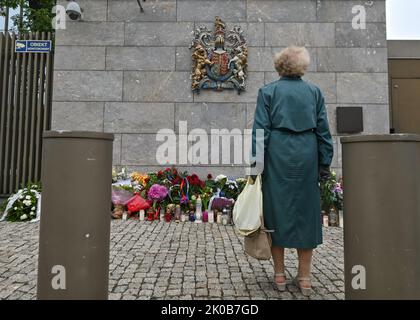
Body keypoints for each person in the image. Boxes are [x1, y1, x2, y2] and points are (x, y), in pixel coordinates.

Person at [251, 46, 334, 296]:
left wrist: (255, 167)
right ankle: (305, 277)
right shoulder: (314, 92)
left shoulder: (268, 92)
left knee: (276, 211)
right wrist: (324, 164)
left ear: (279, 66)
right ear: (302, 66)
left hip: (277, 154)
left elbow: (259, 132)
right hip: (307, 154)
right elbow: (323, 132)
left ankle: (278, 275)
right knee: (306, 213)